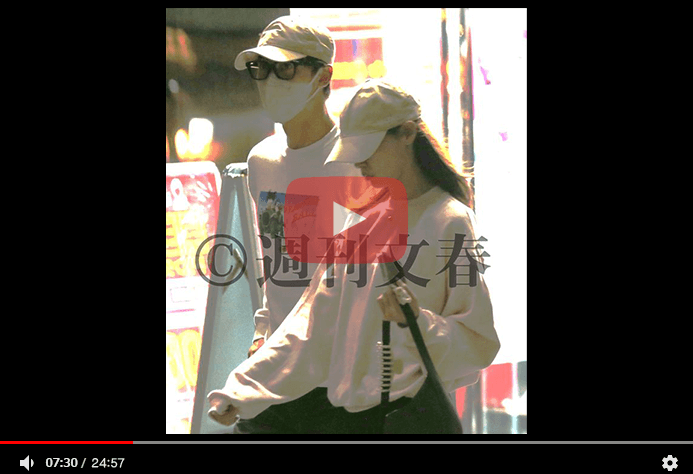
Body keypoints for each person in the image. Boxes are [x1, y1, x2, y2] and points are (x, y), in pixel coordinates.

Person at [208, 79, 500, 434]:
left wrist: (415, 321)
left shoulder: (450, 220)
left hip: (399, 419)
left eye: (368, 148)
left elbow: (478, 340)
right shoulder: (361, 220)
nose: (360, 162)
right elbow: (311, 325)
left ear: (407, 134)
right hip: (345, 418)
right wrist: (242, 389)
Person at [229, 15, 361, 434]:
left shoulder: (357, 161)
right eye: (260, 68)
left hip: (339, 380)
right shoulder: (261, 161)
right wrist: (262, 332)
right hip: (276, 371)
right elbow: (276, 263)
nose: (270, 81)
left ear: (324, 76)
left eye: (285, 68)